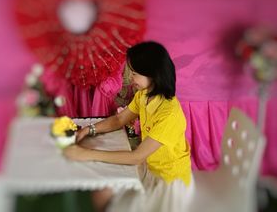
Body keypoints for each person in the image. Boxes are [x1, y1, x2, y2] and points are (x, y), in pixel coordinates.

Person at [63, 41, 194, 212]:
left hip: (167, 182)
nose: (130, 78)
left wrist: (86, 154)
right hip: (148, 166)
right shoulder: (144, 95)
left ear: (153, 74)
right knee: (102, 192)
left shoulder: (169, 114)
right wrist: (88, 130)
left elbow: (137, 156)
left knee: (113, 199)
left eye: (134, 73)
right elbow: (119, 120)